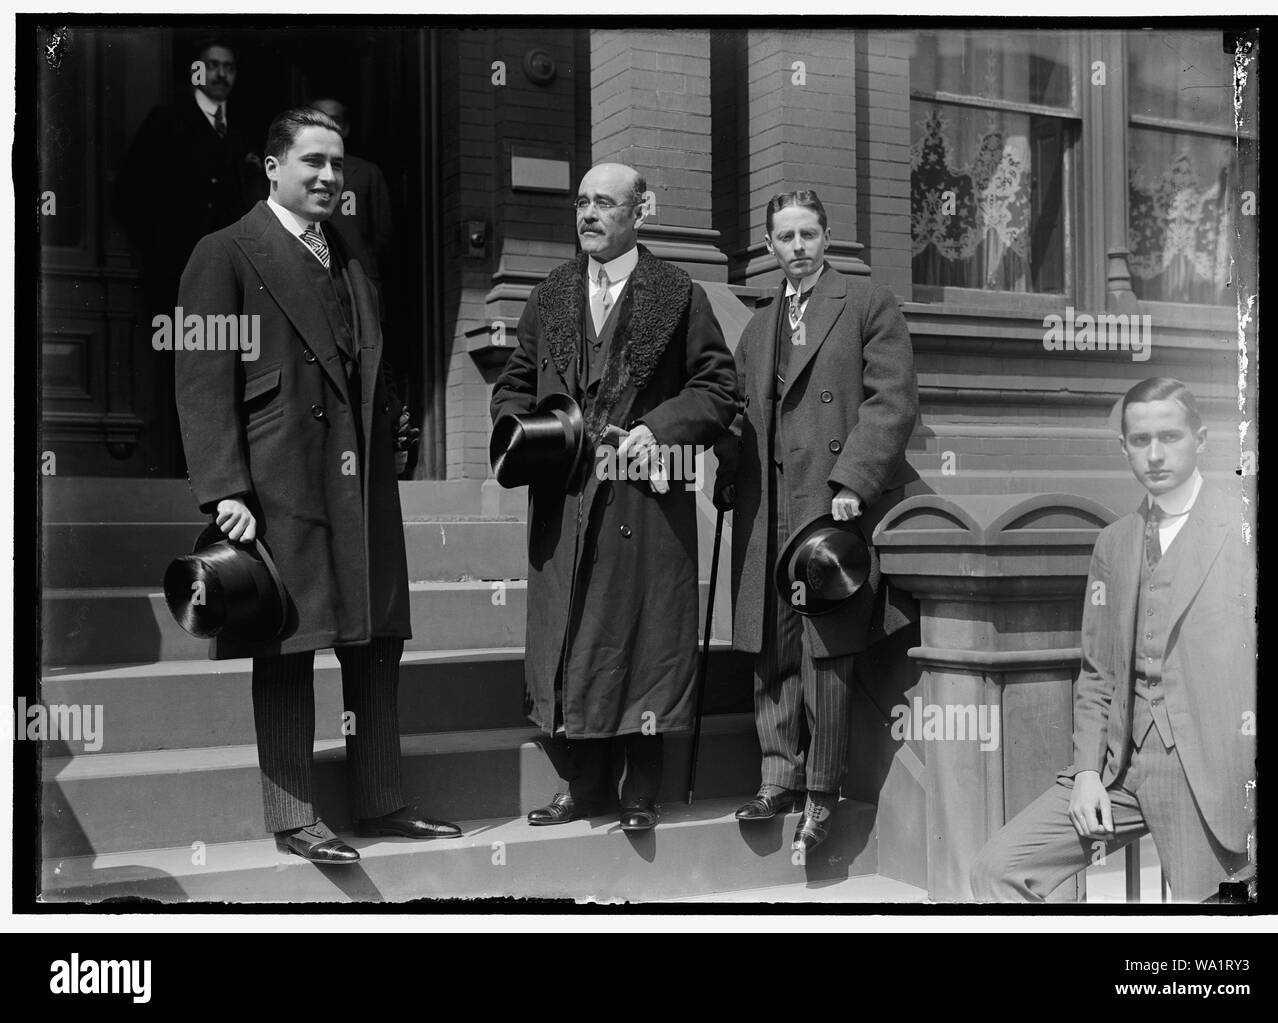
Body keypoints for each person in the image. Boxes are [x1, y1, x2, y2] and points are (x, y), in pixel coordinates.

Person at [173, 107, 458, 864]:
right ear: (273, 168)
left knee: (374, 641)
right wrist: (224, 488)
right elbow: (200, 379)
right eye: (313, 163)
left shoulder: (351, 252)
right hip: (278, 477)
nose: (330, 176)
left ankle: (382, 798)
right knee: (287, 641)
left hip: (359, 475)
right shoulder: (225, 251)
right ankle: (295, 816)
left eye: (337, 163)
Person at [491, 162, 739, 832]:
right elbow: (514, 381)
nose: (589, 214)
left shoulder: (678, 294)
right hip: (565, 497)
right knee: (571, 641)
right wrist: (523, 430)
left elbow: (719, 388)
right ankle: (583, 784)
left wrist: (659, 428)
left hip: (640, 502)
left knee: (643, 640)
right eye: (581, 203)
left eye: (605, 202)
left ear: (641, 210)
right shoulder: (551, 294)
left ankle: (639, 790)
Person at [970, 378, 1255, 902]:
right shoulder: (1115, 541)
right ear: (1124, 448)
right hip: (1117, 769)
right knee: (999, 868)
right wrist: (1084, 772)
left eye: (1169, 437)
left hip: (1203, 772)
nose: (1155, 454)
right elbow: (1097, 672)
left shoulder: (1245, 529)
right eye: (1140, 441)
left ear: (1202, 438)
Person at [714, 189, 918, 854]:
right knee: (773, 648)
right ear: (770, 246)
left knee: (827, 653)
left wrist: (856, 480)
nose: (797, 248)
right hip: (770, 506)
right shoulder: (758, 324)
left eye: (808, 234)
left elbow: (891, 402)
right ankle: (779, 777)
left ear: (826, 236)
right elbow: (743, 415)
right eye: (784, 237)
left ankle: (823, 794)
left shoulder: (865, 304)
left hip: (831, 504)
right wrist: (723, 468)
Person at [117, 38, 260, 308]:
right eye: (213, 65)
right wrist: (158, 246)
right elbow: (132, 189)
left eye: (228, 68)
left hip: (228, 266)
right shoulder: (167, 120)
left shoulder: (242, 131)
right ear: (197, 71)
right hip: (175, 264)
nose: (221, 74)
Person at [308, 98, 395, 320]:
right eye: (319, 119)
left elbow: (382, 237)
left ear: (345, 129)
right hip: (310, 282)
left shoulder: (367, 173)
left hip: (358, 285)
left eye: (334, 120)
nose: (326, 125)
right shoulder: (294, 172)